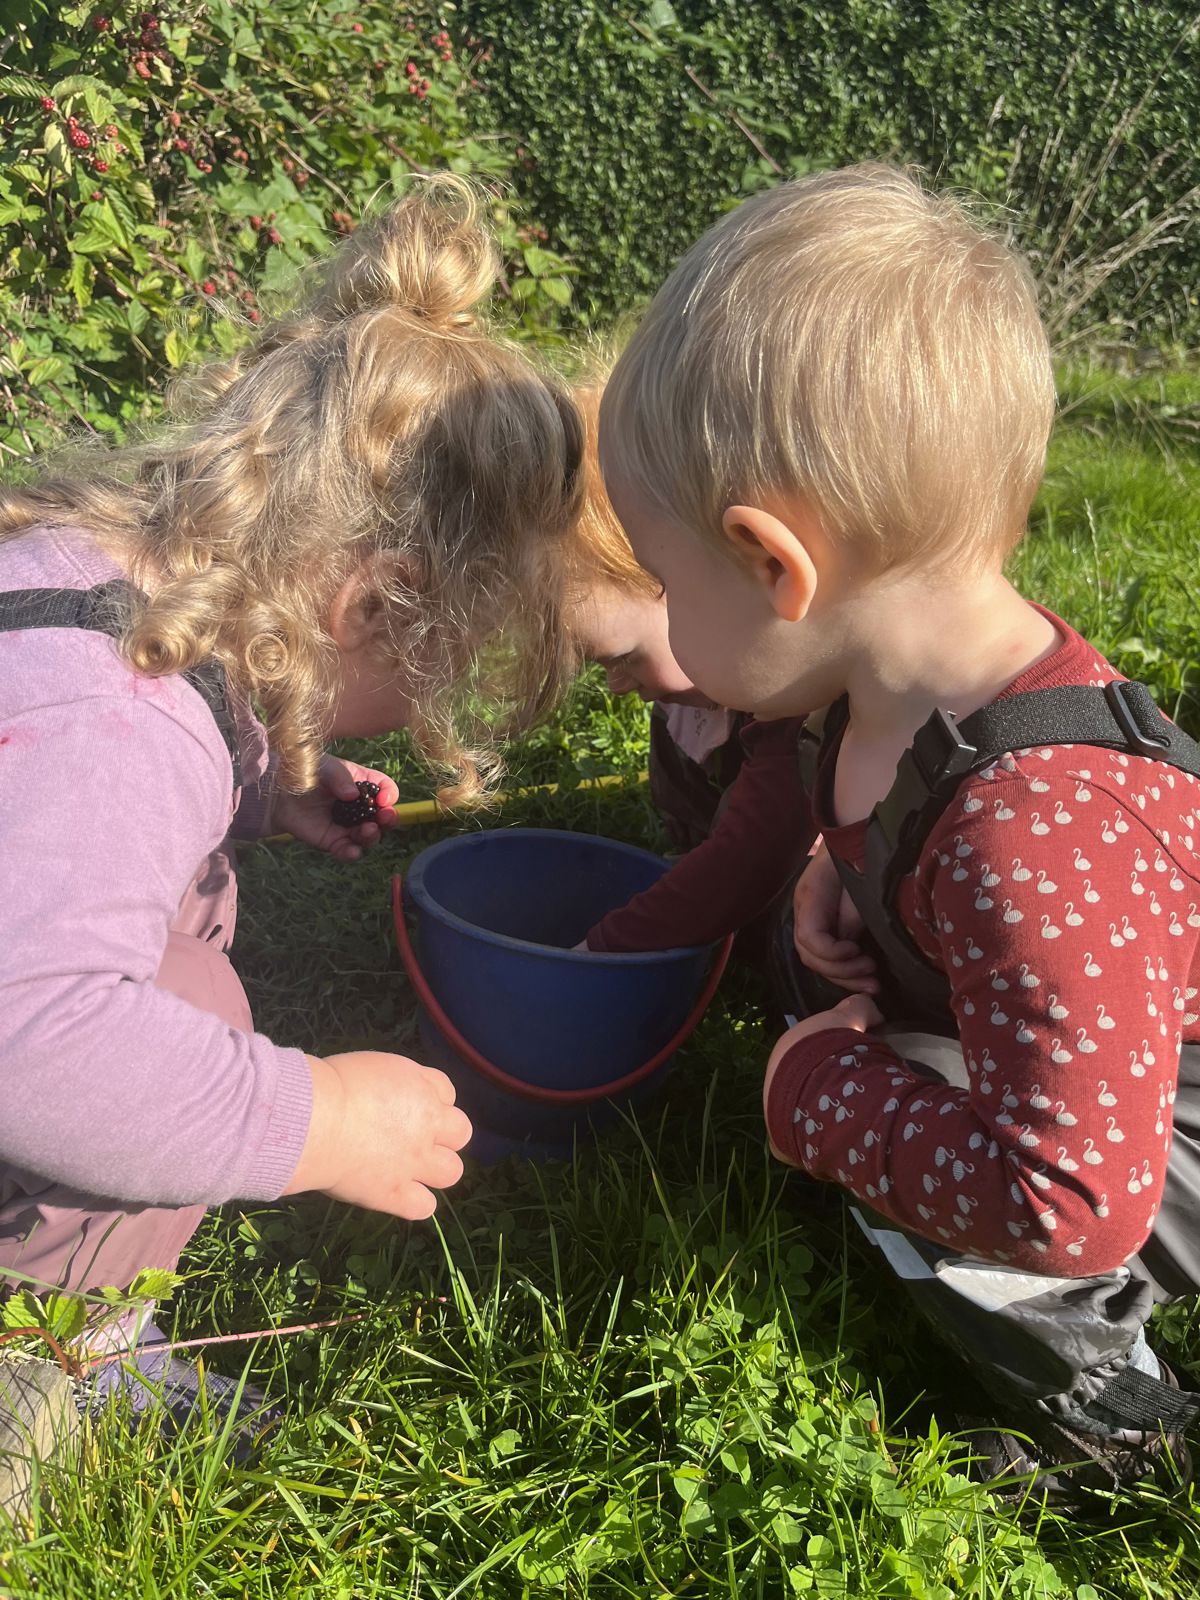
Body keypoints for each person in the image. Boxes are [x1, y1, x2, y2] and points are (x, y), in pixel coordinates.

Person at [597, 161, 1200, 1499]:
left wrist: (826, 1105)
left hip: (1146, 1136)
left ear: (773, 564)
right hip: (1090, 1062)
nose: (659, 618)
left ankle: (1127, 1429)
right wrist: (834, 864)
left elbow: (1074, 1193)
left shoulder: (1033, 832)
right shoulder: (895, 685)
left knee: (959, 1181)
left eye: (662, 577)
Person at [0, 177, 583, 1444]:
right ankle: (32, 1382)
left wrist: (265, 783)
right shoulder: (118, 720)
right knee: (175, 1020)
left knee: (179, 983)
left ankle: (84, 1336)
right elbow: (29, 1035)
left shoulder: (102, 591)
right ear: (372, 607)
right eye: (438, 660)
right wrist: (315, 1119)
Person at [565, 382, 814, 956]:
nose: (617, 684)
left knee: (798, 935)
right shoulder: (704, 681)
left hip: (818, 877)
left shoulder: (797, 703)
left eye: (623, 658)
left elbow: (751, 855)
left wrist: (602, 952)